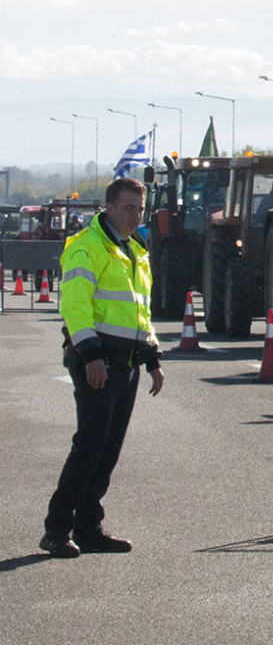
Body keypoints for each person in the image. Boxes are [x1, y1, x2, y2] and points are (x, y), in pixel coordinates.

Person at [41, 177, 165, 558]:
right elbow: (75, 307)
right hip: (98, 361)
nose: (135, 216)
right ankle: (56, 530)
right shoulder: (87, 247)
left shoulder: (134, 250)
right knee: (90, 447)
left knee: (108, 450)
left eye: (140, 209)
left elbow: (140, 312)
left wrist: (152, 359)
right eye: (128, 208)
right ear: (109, 208)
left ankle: (88, 528)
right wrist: (91, 356)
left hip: (126, 363)